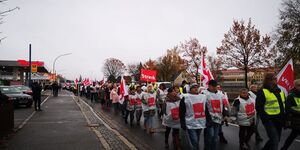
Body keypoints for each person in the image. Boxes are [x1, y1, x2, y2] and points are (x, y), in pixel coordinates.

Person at [256, 73, 285, 150]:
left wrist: (285, 118)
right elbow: (259, 107)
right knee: (275, 141)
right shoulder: (262, 91)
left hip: (279, 119)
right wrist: (266, 118)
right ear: (269, 80)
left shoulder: (280, 91)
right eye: (274, 79)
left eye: (276, 78)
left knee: (276, 139)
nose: (276, 80)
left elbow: (282, 105)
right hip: (269, 120)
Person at [202, 80, 229, 150]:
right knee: (210, 135)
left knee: (215, 137)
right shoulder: (204, 94)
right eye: (213, 87)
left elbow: (223, 105)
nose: (215, 88)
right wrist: (207, 118)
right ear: (209, 86)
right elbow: (203, 107)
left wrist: (225, 115)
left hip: (218, 119)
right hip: (209, 119)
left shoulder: (220, 94)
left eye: (216, 86)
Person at [180, 83, 207, 150]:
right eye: (193, 87)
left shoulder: (202, 97)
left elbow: (206, 110)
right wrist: (182, 123)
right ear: (190, 89)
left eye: (196, 87)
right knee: (194, 140)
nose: (196, 88)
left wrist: (208, 120)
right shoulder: (185, 97)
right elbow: (181, 112)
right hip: (190, 123)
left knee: (197, 140)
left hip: (200, 122)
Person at [281, 79, 300, 150]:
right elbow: (288, 109)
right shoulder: (291, 96)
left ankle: (284, 148)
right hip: (295, 119)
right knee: (292, 136)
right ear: (295, 86)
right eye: (299, 85)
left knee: (292, 136)